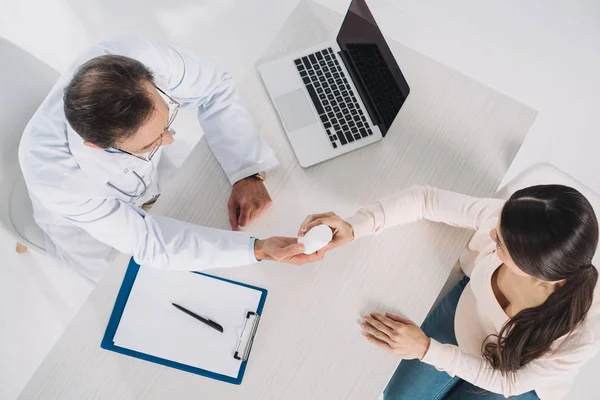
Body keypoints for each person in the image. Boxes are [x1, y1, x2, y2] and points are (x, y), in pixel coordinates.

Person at [19, 32, 320, 283]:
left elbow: (215, 90)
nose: (171, 140)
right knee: (132, 285)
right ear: (97, 147)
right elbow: (150, 242)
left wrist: (245, 169)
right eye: (150, 142)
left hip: (148, 179)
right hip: (84, 224)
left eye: (166, 122)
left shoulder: (139, 57)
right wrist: (258, 250)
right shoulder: (59, 178)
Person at [299, 185, 599, 399]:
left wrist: (425, 349)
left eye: (500, 246)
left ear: (536, 270)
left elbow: (509, 383)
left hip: (514, 378)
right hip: (463, 323)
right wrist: (355, 226)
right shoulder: (507, 223)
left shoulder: (586, 331)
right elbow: (425, 199)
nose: (492, 235)